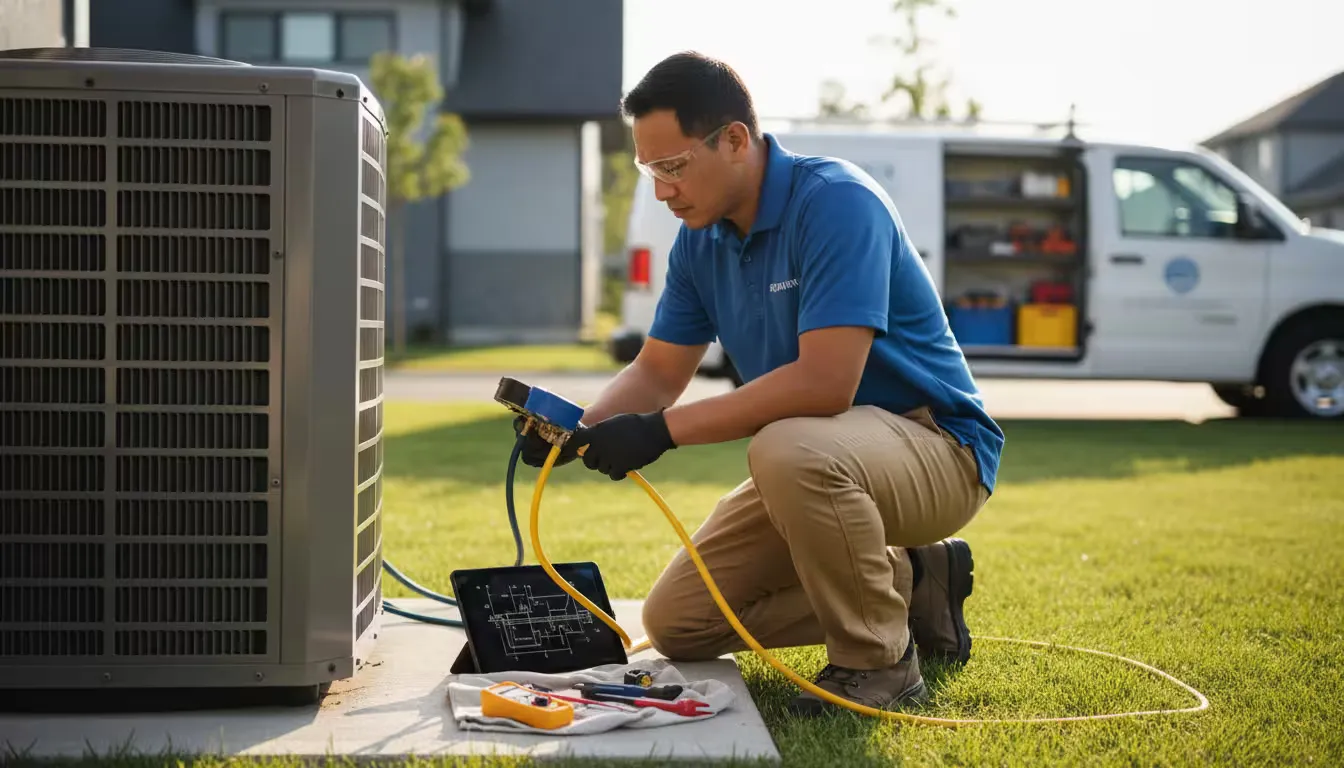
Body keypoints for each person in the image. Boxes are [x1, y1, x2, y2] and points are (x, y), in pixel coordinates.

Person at [514, 51, 1003, 716]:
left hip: (940, 448)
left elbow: (826, 384)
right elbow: (658, 371)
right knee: (679, 623)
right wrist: (576, 431)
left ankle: (879, 663)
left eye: (672, 166)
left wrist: (661, 432)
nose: (661, 191)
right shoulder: (700, 241)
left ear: (736, 140)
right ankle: (915, 578)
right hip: (822, 460)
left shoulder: (837, 202)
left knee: (785, 447)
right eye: (650, 170)